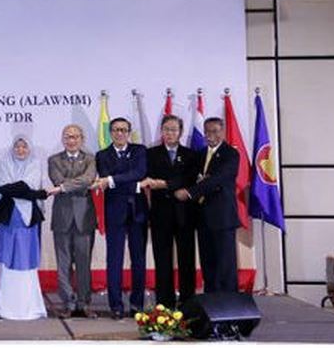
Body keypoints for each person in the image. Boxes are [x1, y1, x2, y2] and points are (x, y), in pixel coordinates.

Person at [0, 135, 50, 320]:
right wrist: (30, 192)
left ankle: (26, 306)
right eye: (17, 147)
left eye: (24, 147)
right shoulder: (4, 163)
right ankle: (5, 306)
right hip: (7, 217)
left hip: (28, 218)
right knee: (7, 259)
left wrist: (6, 190)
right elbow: (13, 187)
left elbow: (27, 186)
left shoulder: (35, 164)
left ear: (29, 148)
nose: (20, 150)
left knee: (25, 259)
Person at [139, 115, 200, 308]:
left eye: (174, 129)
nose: (170, 133)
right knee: (162, 259)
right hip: (160, 213)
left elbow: (189, 179)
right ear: (161, 131)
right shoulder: (151, 154)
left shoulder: (191, 155)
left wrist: (164, 184)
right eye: (166, 129)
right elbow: (147, 177)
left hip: (185, 214)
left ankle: (188, 301)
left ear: (180, 132)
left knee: (186, 259)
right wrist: (160, 184)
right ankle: (164, 302)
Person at [175, 117, 240, 293]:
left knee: (225, 263)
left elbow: (218, 179)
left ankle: (228, 302)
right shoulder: (200, 154)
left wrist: (190, 192)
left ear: (222, 132)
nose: (211, 135)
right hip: (202, 217)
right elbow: (192, 177)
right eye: (208, 132)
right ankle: (211, 300)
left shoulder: (230, 154)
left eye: (215, 131)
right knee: (208, 262)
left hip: (222, 217)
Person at [94, 117, 148, 319]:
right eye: (116, 130)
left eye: (123, 130)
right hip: (114, 212)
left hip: (138, 212)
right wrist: (135, 184)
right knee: (114, 260)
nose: (119, 133)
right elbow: (108, 175)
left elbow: (140, 172)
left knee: (139, 260)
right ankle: (115, 305)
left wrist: (112, 179)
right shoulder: (102, 155)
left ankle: (137, 304)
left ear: (129, 132)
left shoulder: (140, 150)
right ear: (110, 133)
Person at [47, 124, 98, 319]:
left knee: (84, 263)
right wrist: (77, 184)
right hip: (62, 217)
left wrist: (64, 188)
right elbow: (57, 180)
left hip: (84, 217)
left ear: (82, 139)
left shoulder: (90, 159)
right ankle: (68, 303)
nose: (72, 140)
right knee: (63, 264)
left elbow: (88, 179)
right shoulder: (54, 160)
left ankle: (84, 303)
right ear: (63, 139)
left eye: (75, 136)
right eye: (68, 136)